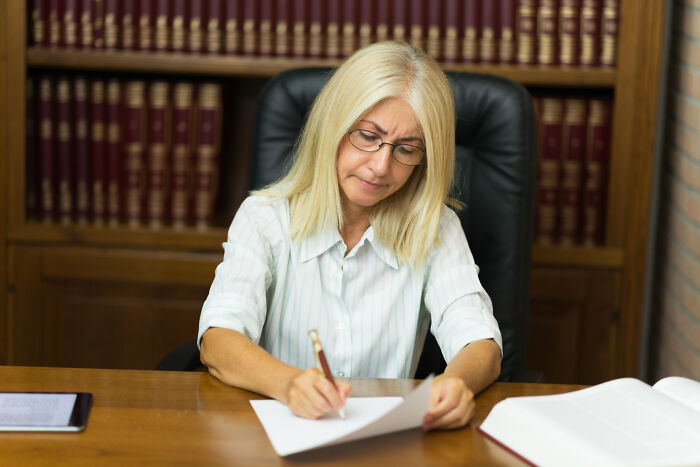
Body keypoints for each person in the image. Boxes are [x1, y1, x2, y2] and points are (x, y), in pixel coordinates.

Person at [198, 41, 502, 430]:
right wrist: (289, 384)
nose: (380, 166)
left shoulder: (436, 228)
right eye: (367, 135)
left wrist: (456, 383)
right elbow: (218, 340)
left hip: (386, 440)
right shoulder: (265, 219)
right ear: (334, 125)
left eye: (406, 149)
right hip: (279, 432)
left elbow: (481, 344)